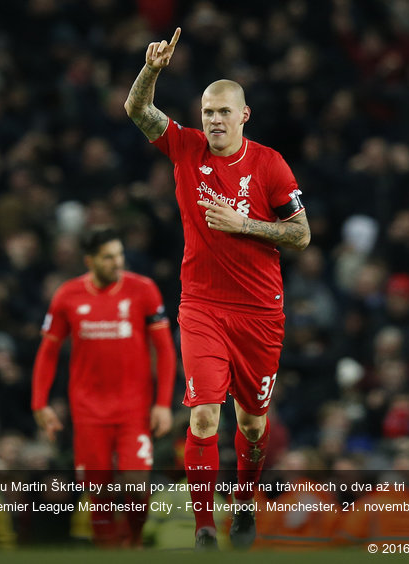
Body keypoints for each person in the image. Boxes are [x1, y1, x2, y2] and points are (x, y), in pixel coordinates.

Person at [124, 27, 311, 550]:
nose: (214, 120)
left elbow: (301, 234)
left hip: (259, 311)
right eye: (208, 111)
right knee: (204, 413)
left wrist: (244, 223)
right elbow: (138, 111)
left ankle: (245, 506)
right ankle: (205, 523)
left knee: (251, 427)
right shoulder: (185, 147)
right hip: (202, 305)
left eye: (224, 112)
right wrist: (152, 71)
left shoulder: (269, 163)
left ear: (243, 116)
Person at [31, 226, 177, 547]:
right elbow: (48, 351)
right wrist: (39, 403)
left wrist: (163, 403)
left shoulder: (144, 290)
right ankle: (108, 552)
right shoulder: (67, 295)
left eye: (120, 255)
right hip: (88, 410)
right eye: (109, 257)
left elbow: (165, 350)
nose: (117, 262)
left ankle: (134, 541)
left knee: (138, 486)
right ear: (90, 260)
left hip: (133, 408)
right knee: (99, 494)